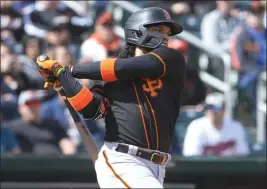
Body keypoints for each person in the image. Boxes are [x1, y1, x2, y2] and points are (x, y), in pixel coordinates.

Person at [36, 7, 186, 188]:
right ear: (138, 31)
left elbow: (123, 68)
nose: (166, 36)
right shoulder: (111, 76)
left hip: (157, 166)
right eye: (159, 30)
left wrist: (69, 71)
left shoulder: (171, 59)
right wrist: (66, 82)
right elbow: (92, 110)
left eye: (168, 32)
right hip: (123, 161)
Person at [183, 93, 250, 157]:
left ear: (224, 109)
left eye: (216, 108)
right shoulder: (196, 127)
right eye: (209, 107)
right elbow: (192, 156)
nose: (212, 111)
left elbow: (242, 155)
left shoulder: (236, 127)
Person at [230, 4, 266, 124]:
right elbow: (240, 63)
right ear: (248, 15)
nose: (257, 16)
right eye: (254, 13)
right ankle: (255, 118)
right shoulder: (242, 35)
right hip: (250, 78)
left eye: (259, 13)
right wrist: (262, 71)